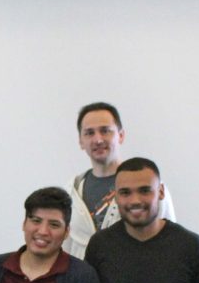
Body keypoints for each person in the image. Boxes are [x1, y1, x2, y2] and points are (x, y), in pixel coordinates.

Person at [64, 102, 176, 259]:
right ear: (81, 141)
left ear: (121, 135)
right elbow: (65, 249)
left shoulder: (149, 186)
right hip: (85, 281)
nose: (98, 139)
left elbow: (170, 239)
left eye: (105, 131)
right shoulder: (71, 192)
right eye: (89, 133)